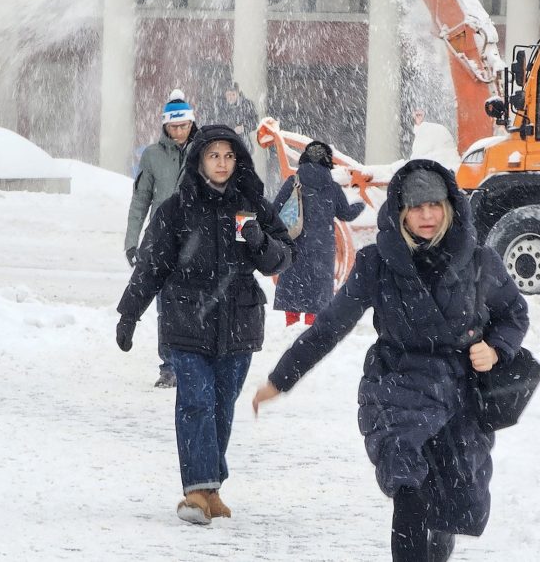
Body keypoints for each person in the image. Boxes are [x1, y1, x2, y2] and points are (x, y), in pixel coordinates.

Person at [253, 159, 529, 561]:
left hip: (461, 396)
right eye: (416, 207)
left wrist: (497, 348)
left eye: (434, 205)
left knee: (449, 507)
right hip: (399, 387)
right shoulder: (377, 263)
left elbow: (514, 314)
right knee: (410, 491)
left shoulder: (479, 261)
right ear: (400, 212)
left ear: (450, 207)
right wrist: (281, 379)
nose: (427, 215)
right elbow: (330, 325)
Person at [115, 124, 294, 525]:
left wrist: (259, 240)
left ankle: (212, 489)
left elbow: (283, 258)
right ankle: (196, 491)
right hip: (187, 320)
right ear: (198, 160)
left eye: (229, 156)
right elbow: (152, 266)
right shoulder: (175, 209)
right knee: (195, 402)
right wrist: (129, 313)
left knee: (220, 407)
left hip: (238, 324)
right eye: (213, 155)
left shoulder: (252, 207)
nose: (222, 163)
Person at [124, 88, 197, 388]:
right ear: (165, 126)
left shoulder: (206, 151)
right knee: (165, 305)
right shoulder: (152, 156)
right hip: (162, 240)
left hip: (197, 239)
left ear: (192, 123)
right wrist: (131, 241)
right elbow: (140, 200)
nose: (179, 131)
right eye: (173, 126)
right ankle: (169, 366)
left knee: (195, 303)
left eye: (184, 126)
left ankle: (193, 362)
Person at [273, 140, 366, 326]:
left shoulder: (293, 182)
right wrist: (360, 204)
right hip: (321, 252)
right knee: (315, 301)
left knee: (293, 295)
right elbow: (346, 214)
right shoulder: (332, 188)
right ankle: (310, 331)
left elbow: (275, 209)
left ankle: (290, 329)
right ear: (327, 162)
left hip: (294, 247)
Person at [213, 82, 258, 148]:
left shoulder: (247, 105)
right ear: (225, 95)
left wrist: (243, 128)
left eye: (233, 94)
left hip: (243, 144)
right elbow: (217, 123)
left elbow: (255, 122)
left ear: (237, 94)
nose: (230, 97)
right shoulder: (220, 107)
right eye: (228, 95)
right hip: (225, 145)